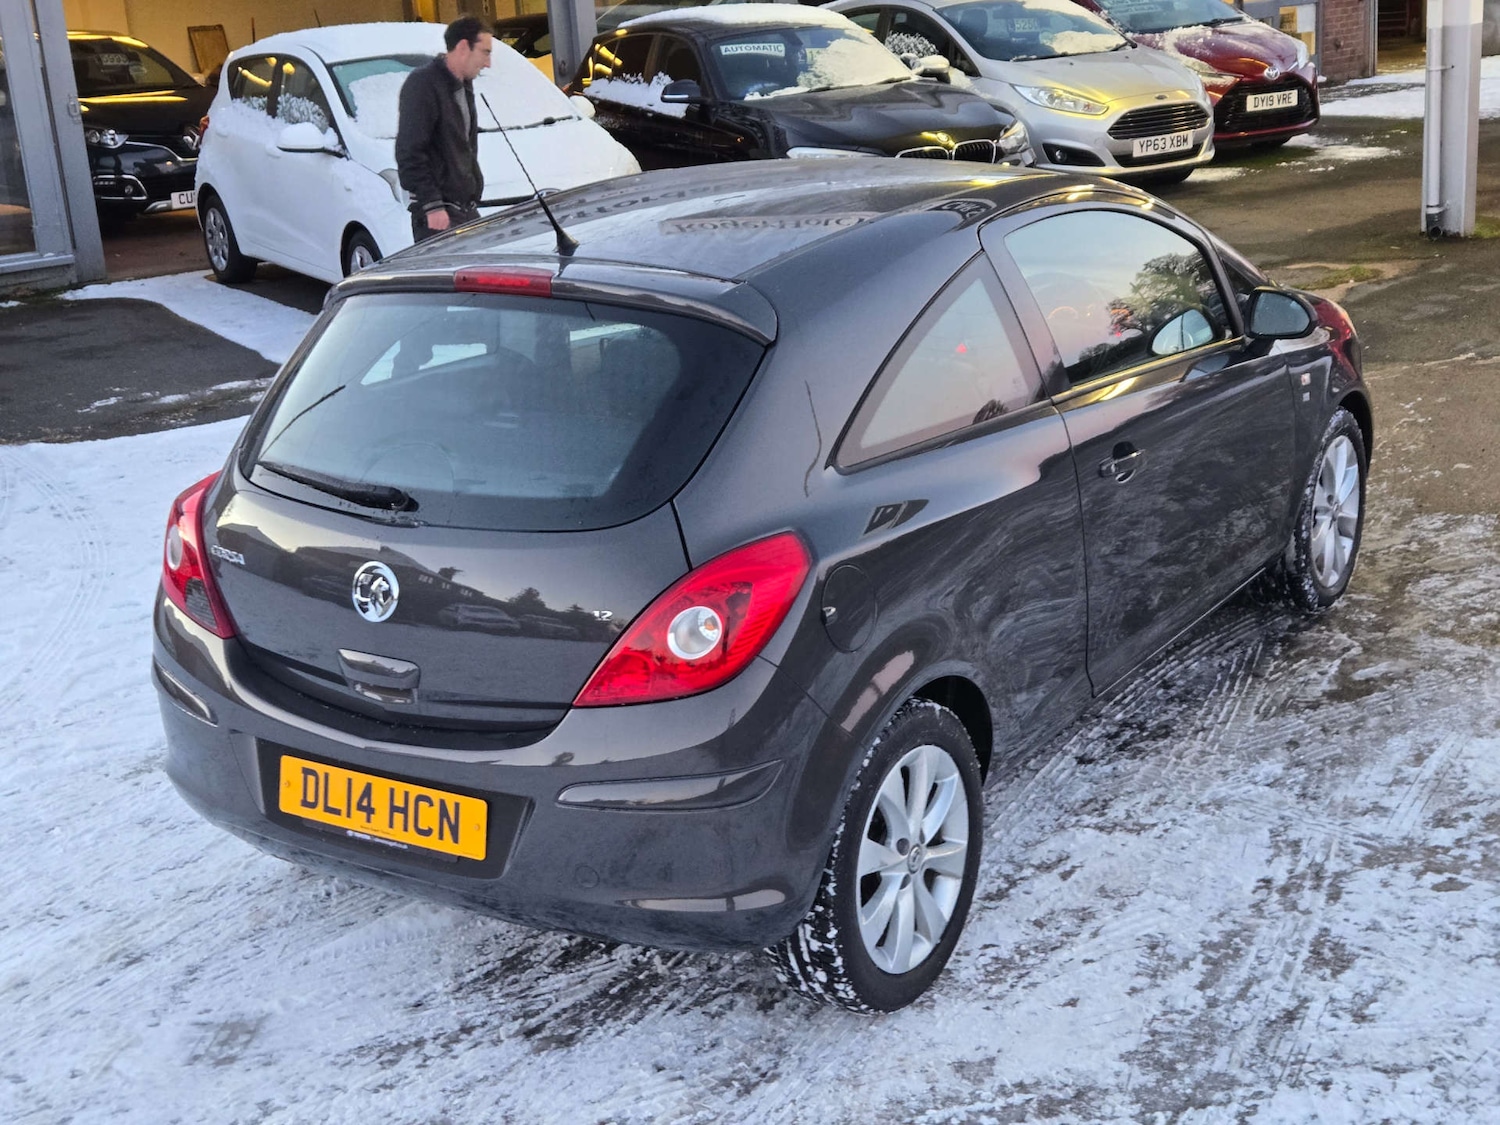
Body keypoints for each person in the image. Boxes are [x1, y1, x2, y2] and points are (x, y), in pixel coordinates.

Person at [395, 17, 493, 243]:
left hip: (464, 210)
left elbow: (461, 149)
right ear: (462, 47)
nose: (488, 63)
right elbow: (409, 152)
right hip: (439, 216)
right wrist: (432, 206)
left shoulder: (463, 86)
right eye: (485, 52)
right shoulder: (423, 84)